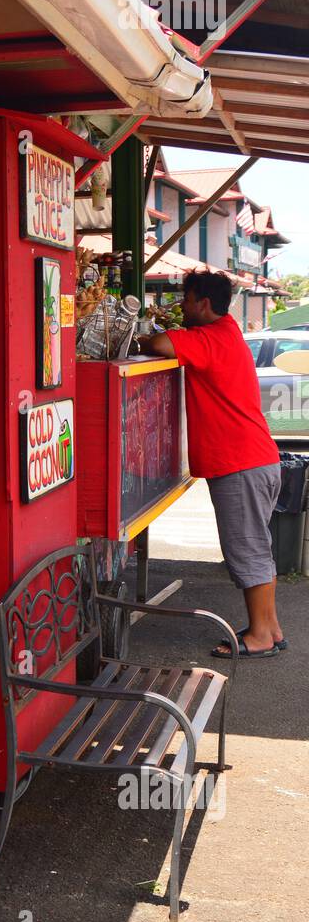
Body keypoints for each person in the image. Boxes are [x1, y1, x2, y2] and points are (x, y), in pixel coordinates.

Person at [138, 269, 284, 658]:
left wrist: (144, 336)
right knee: (257, 546)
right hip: (254, 459)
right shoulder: (227, 333)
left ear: (203, 303)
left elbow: (160, 343)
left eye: (186, 299)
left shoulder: (211, 338)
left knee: (247, 549)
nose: (182, 306)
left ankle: (260, 636)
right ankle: (269, 628)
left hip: (240, 464)